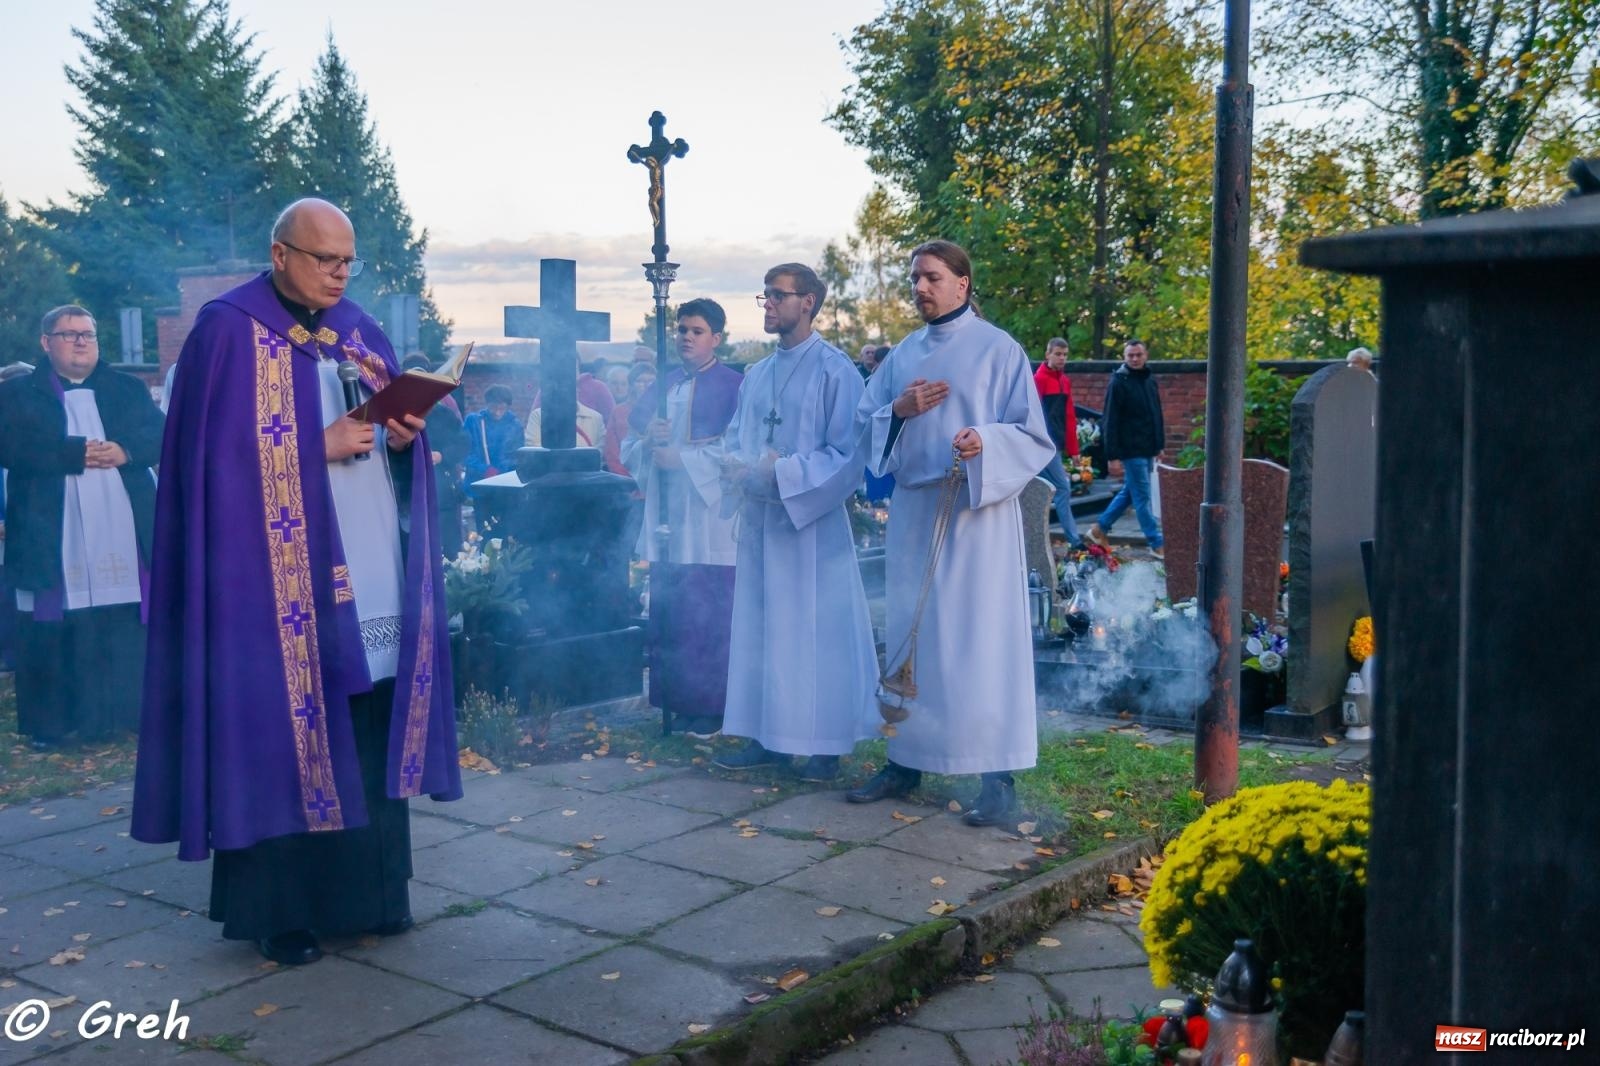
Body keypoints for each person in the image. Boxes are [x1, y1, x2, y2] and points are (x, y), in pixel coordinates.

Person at [131, 198, 461, 967]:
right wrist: (313, 447)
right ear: (279, 255)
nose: (339, 273)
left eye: (347, 260)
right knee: (280, 733)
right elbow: (203, 471)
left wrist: (406, 436)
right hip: (270, 585)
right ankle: (283, 915)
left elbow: (388, 431)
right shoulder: (224, 329)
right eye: (323, 259)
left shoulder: (358, 329)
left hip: (367, 560)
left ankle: (374, 896)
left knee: (367, 720)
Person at [849, 240, 1055, 827]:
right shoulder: (903, 354)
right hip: (917, 513)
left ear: (963, 283)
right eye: (914, 277)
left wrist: (986, 441)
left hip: (976, 517)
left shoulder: (999, 350)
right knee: (914, 639)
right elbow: (865, 425)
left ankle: (997, 779)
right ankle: (905, 760)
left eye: (932, 277)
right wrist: (899, 409)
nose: (920, 287)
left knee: (979, 642)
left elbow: (1034, 438)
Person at [715, 264, 877, 781]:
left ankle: (825, 746)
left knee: (818, 632)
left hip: (811, 531)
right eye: (762, 295)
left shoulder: (836, 371)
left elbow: (849, 456)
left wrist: (780, 472)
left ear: (808, 302)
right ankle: (770, 738)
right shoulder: (757, 374)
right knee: (765, 632)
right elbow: (737, 436)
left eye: (777, 296)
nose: (766, 304)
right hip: (763, 527)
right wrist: (735, 467)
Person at [0, 311, 163, 746]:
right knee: (52, 619)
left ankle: (131, 714)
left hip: (122, 522)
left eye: (87, 334)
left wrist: (126, 451)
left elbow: (162, 435)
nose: (79, 342)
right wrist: (70, 454)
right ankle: (53, 725)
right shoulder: (17, 394)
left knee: (126, 618)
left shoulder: (127, 388)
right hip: (50, 526)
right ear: (45, 342)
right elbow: (9, 446)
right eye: (68, 335)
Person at [623, 299, 742, 738]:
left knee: (710, 613)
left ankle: (713, 708)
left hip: (711, 523)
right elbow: (629, 452)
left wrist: (684, 460)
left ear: (717, 338)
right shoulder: (664, 387)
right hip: (668, 518)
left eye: (697, 330)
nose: (686, 337)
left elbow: (737, 450)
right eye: (681, 330)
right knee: (673, 611)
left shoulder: (734, 386)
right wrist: (650, 446)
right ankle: (675, 701)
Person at [1083, 340, 1164, 558]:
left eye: (1138, 354)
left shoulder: (1149, 380)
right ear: (1124, 357)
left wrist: (1159, 445)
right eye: (1130, 356)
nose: (1135, 359)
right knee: (1142, 496)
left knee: (1131, 492)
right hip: (1131, 450)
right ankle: (1155, 541)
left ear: (1145, 355)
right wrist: (1113, 455)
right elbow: (1111, 420)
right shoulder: (1119, 382)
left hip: (1147, 448)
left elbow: (1156, 414)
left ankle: (1099, 528)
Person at [403, 353, 469, 559]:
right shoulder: (395, 409)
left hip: (442, 493)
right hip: (406, 492)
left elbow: (463, 443)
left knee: (447, 550)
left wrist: (442, 456)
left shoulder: (443, 411)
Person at [1032, 337, 1083, 548]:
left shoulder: (1064, 381)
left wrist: (1074, 451)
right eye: (1058, 354)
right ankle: (1075, 540)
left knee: (1045, 490)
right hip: (1043, 445)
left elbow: (1069, 416)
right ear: (1048, 355)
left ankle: (1036, 540)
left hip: (1056, 445)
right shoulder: (1039, 380)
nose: (1062, 358)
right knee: (1062, 488)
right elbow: (1033, 415)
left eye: (1065, 354)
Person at [462, 384, 523, 493]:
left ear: (508, 407)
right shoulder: (473, 422)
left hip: (506, 486)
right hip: (478, 485)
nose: (497, 412)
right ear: (487, 404)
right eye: (493, 407)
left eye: (502, 408)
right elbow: (464, 452)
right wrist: (484, 469)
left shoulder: (515, 425)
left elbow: (518, 455)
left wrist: (501, 472)